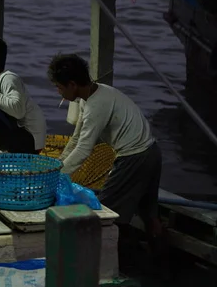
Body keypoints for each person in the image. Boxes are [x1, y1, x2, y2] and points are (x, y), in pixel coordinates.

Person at [47, 53, 165, 269]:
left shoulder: (95, 107)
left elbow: (84, 149)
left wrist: (56, 176)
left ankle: (119, 264)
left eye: (59, 87)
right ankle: (160, 261)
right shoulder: (93, 94)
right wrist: (57, 164)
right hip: (152, 151)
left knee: (105, 213)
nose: (59, 92)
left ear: (72, 84)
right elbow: (76, 138)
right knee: (149, 214)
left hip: (134, 157)